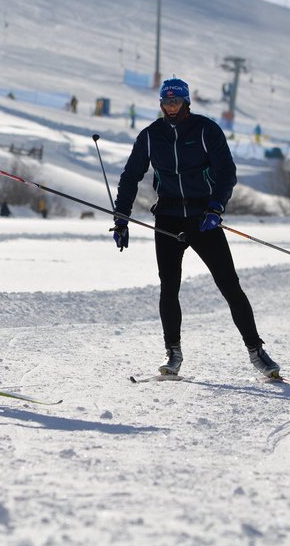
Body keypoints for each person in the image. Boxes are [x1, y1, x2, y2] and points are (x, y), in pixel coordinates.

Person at [110, 77, 280, 379]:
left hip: (203, 218)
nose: (171, 107)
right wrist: (121, 218)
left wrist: (216, 207)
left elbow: (227, 172)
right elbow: (130, 176)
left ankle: (256, 351)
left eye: (176, 101)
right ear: (161, 104)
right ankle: (172, 353)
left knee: (229, 285)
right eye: (166, 102)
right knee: (169, 287)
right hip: (168, 218)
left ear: (186, 102)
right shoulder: (150, 136)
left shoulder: (205, 130)